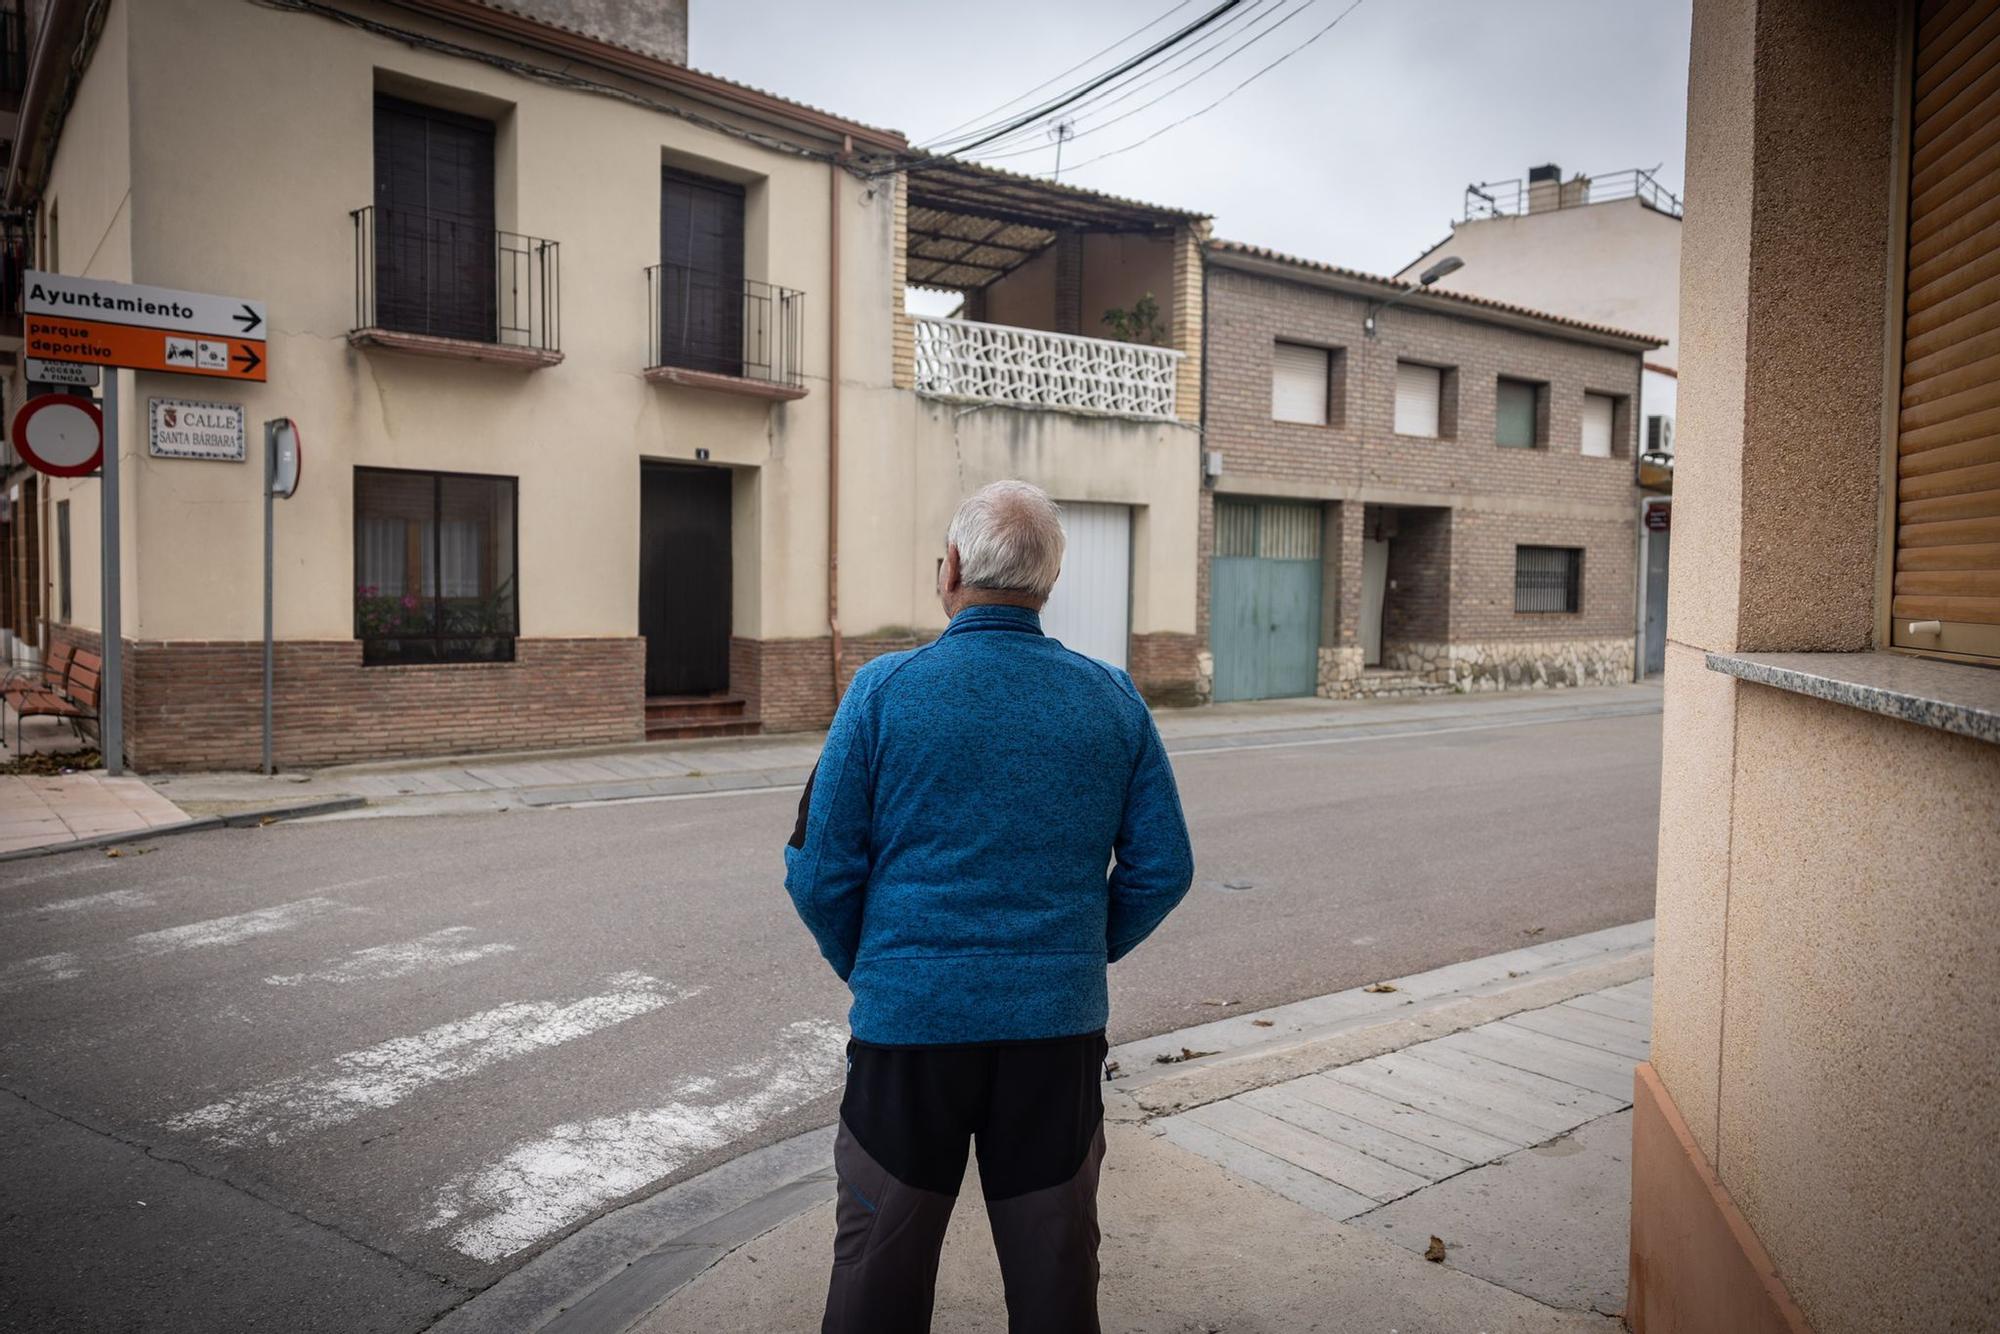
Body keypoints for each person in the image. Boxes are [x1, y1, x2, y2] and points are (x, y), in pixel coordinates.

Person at [784, 479, 1195, 1334]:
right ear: (1047, 583)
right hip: (1056, 1037)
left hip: (909, 1035)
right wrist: (1071, 952)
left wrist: (878, 966)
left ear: (955, 567)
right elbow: (1163, 868)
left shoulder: (883, 693)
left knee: (877, 1275)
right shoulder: (1112, 699)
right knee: (1054, 1275)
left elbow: (819, 871)